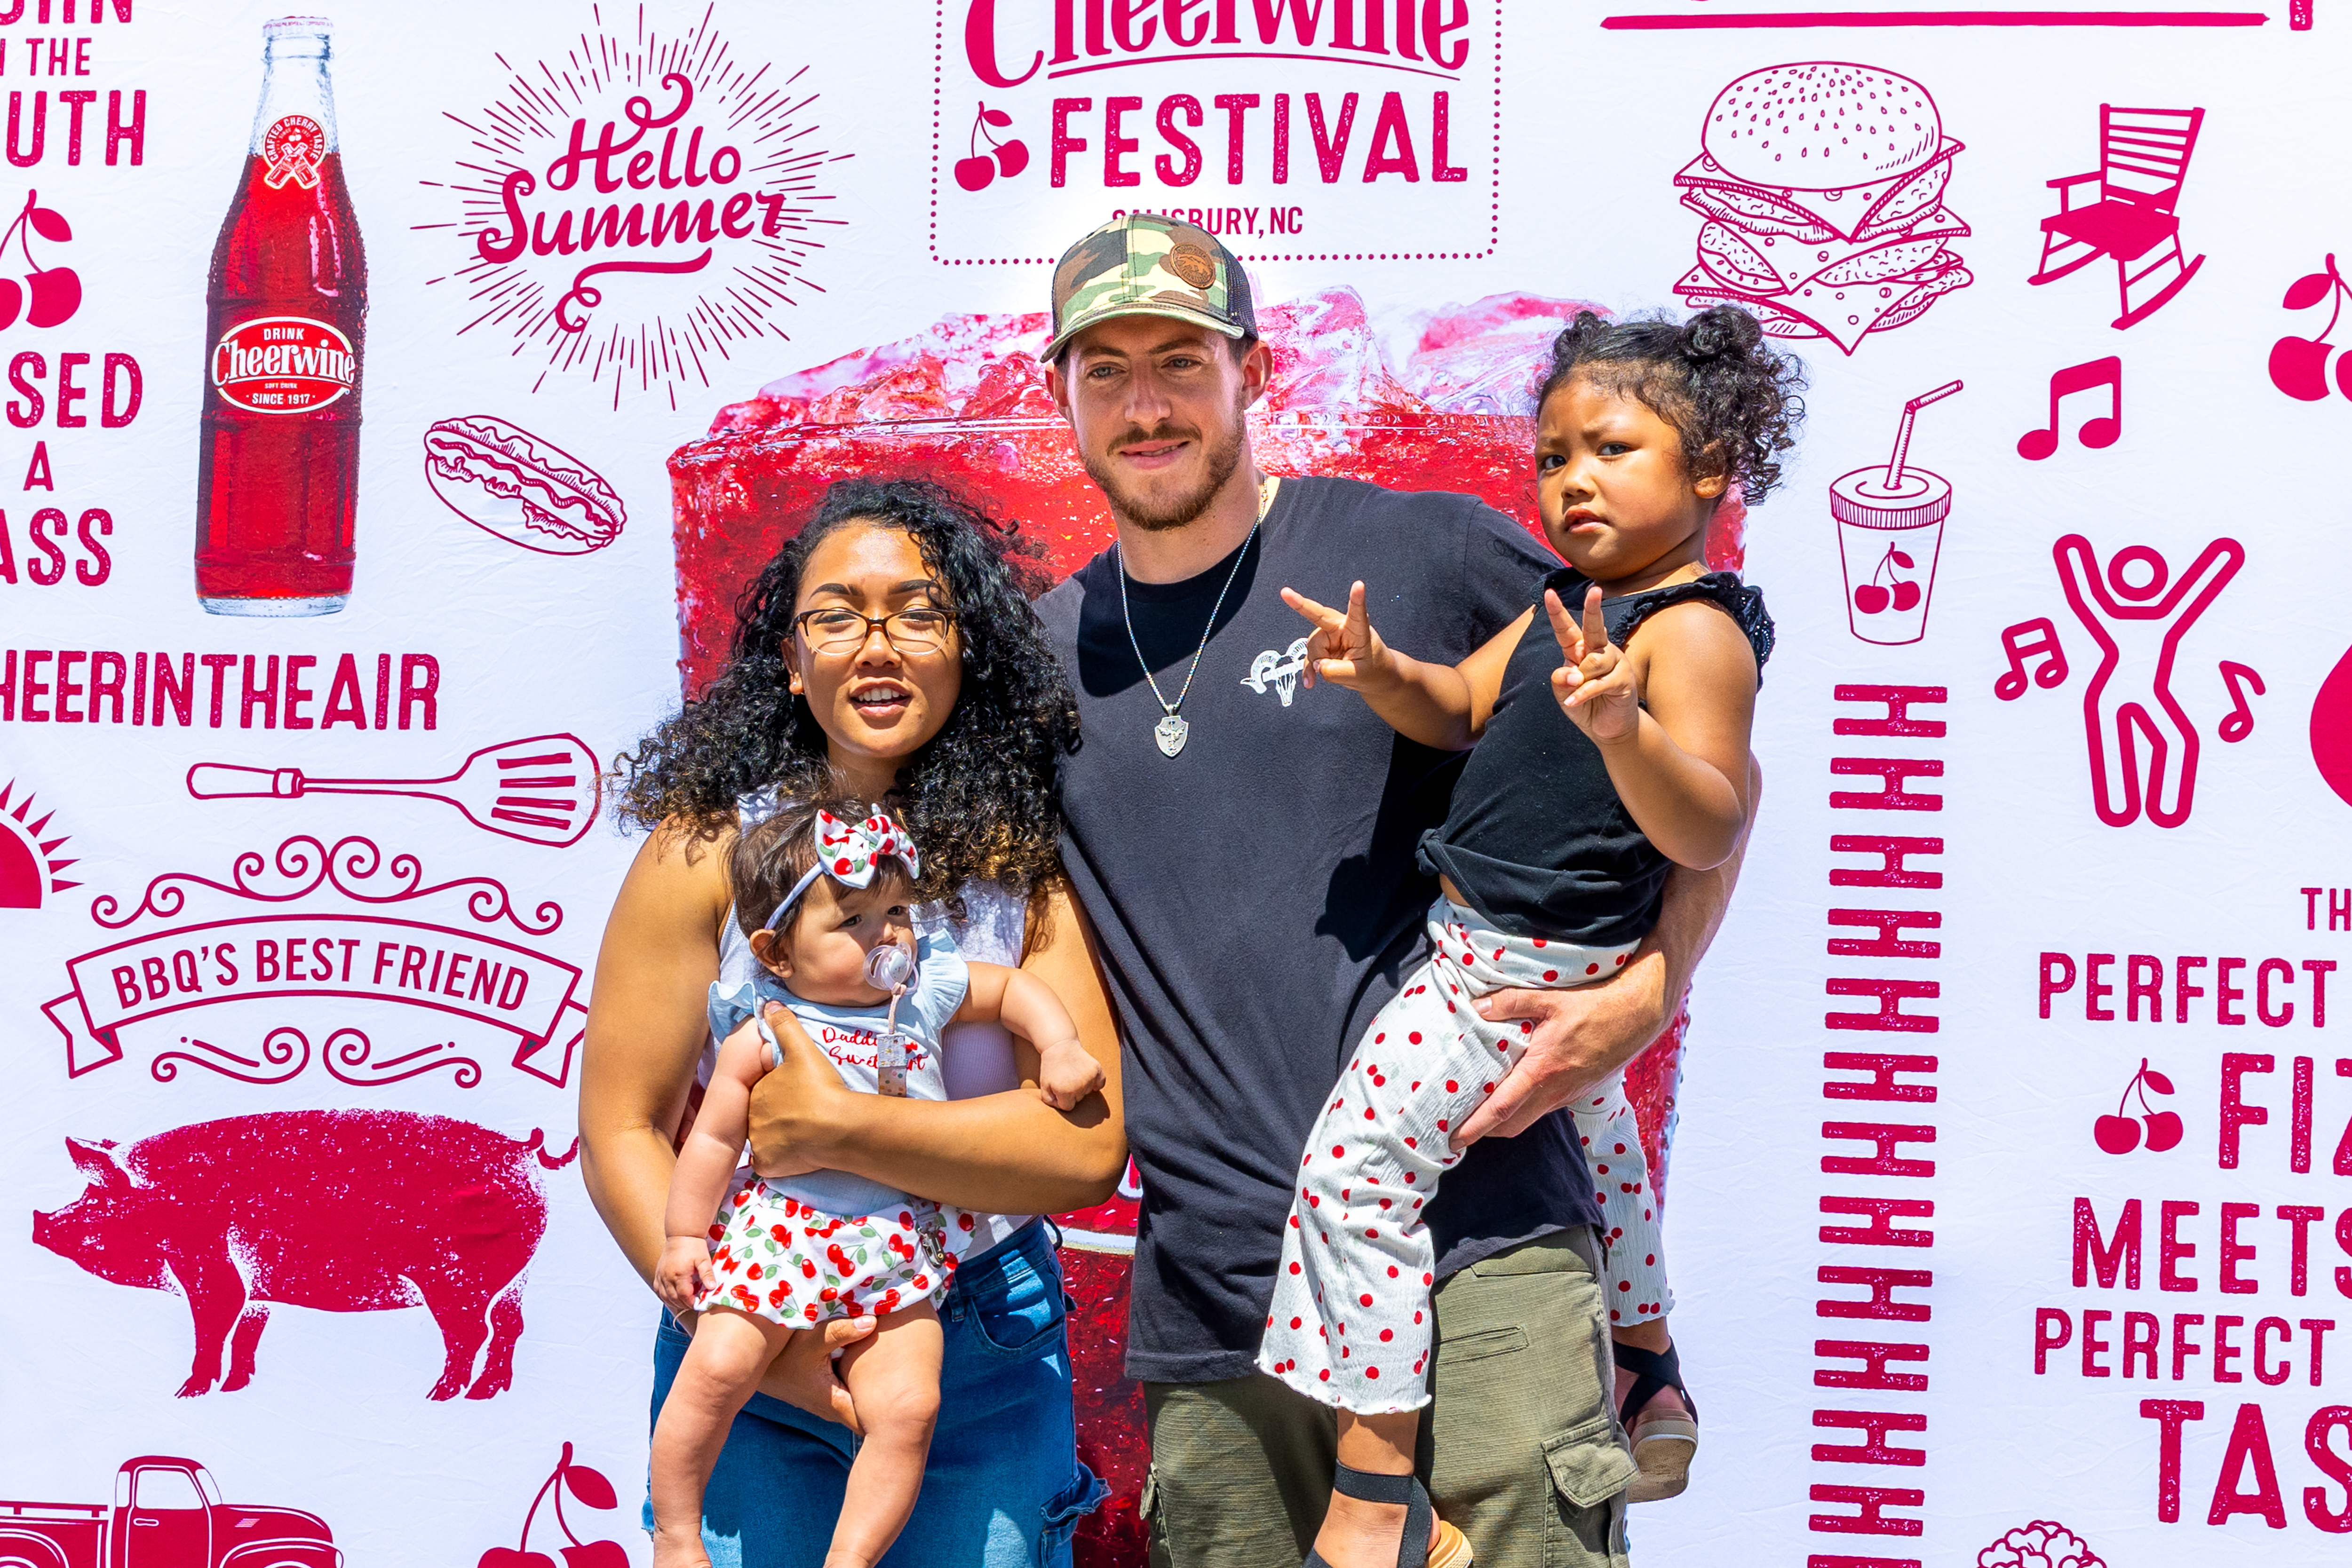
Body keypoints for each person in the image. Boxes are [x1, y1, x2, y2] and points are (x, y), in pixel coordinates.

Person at [1026, 213, 1763, 1568]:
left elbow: (1695, 742)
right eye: (1108, 368)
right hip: (1220, 1296)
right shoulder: (1037, 660)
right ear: (1056, 390)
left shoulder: (1418, 552)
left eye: (1181, 361)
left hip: (1483, 1242)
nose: (1146, 404)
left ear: (1256, 373)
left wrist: (1656, 981)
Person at [1260, 308, 1799, 1538]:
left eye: (1611, 448)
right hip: (1518, 955)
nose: (1573, 481)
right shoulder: (1568, 600)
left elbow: (1710, 823)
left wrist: (1627, 728)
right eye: (1553, 457)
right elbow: (1457, 705)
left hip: (1504, 974)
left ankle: (1375, 1477)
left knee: (1353, 1171)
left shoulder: (1695, 629)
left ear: (1711, 467)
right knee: (1603, 1142)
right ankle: (1649, 1367)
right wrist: (1380, 666)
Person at [582, 477, 1120, 1568]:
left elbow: (1085, 1146)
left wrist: (836, 1127)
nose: (876, 643)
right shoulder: (703, 852)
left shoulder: (1025, 868)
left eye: (917, 612)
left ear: (969, 649)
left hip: (976, 1343)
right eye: (835, 614)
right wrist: (757, 1338)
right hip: (748, 1333)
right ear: (790, 658)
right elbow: (621, 1131)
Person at [649, 800, 1107, 1568]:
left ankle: (851, 1557)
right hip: (780, 1240)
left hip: (898, 1253)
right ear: (777, 952)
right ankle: (677, 1530)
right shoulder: (763, 1023)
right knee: (717, 1365)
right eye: (853, 920)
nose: (887, 935)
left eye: (896, 910)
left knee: (910, 1406)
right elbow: (715, 1138)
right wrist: (685, 1235)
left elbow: (1015, 993)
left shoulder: (922, 991)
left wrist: (1058, 1044)